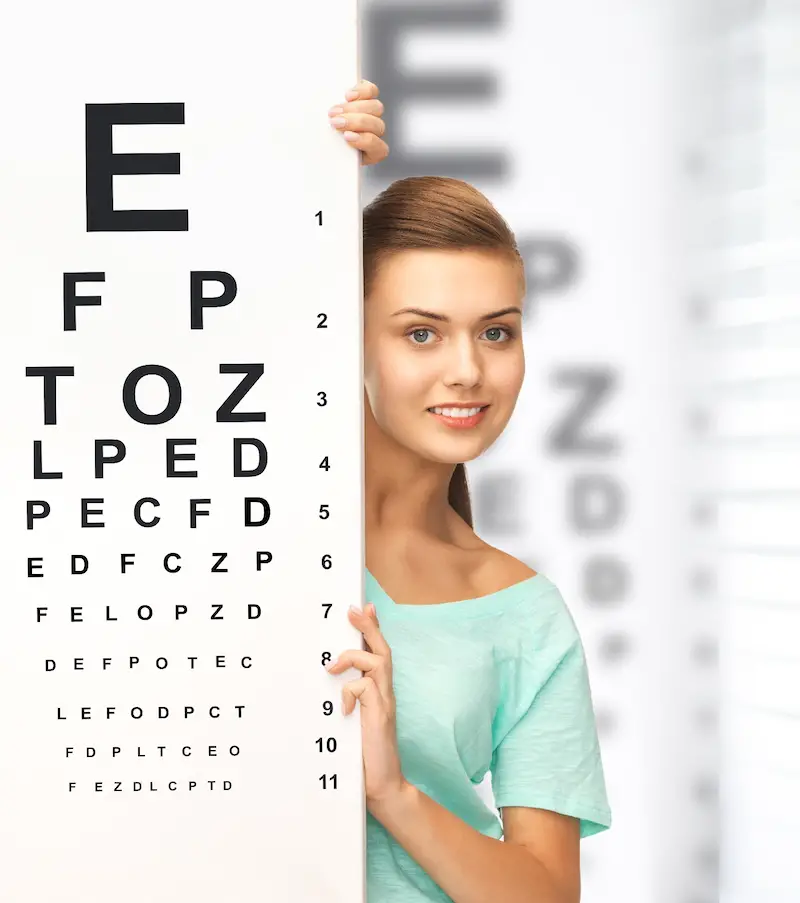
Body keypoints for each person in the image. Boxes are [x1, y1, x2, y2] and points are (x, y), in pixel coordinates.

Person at [329, 80, 612, 903]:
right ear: (351, 336)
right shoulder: (259, 520)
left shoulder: (524, 613)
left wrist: (395, 793)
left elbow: (548, 893)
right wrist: (302, 164)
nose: (468, 369)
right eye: (421, 331)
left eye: (497, 330)